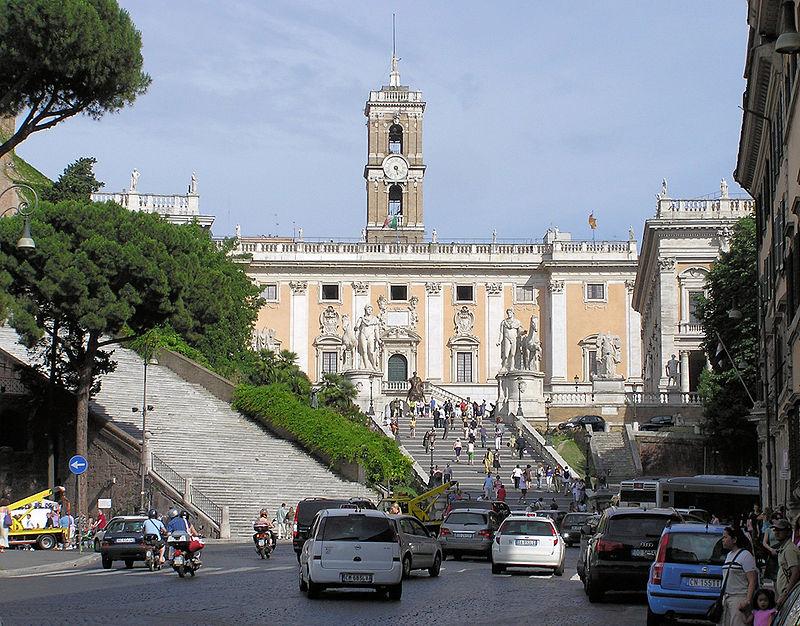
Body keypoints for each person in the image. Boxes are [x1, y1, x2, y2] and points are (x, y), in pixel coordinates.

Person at [720, 526, 758, 626]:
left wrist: (747, 601)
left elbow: (752, 580)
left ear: (734, 539)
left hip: (739, 599)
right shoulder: (729, 555)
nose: (722, 540)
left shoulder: (745, 555)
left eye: (725, 537)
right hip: (726, 599)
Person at [772, 518, 800, 608]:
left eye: (780, 530)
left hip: (790, 595)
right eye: (775, 530)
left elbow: (795, 573)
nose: (776, 532)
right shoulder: (784, 548)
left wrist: (785, 594)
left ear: (788, 532)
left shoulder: (789, 550)